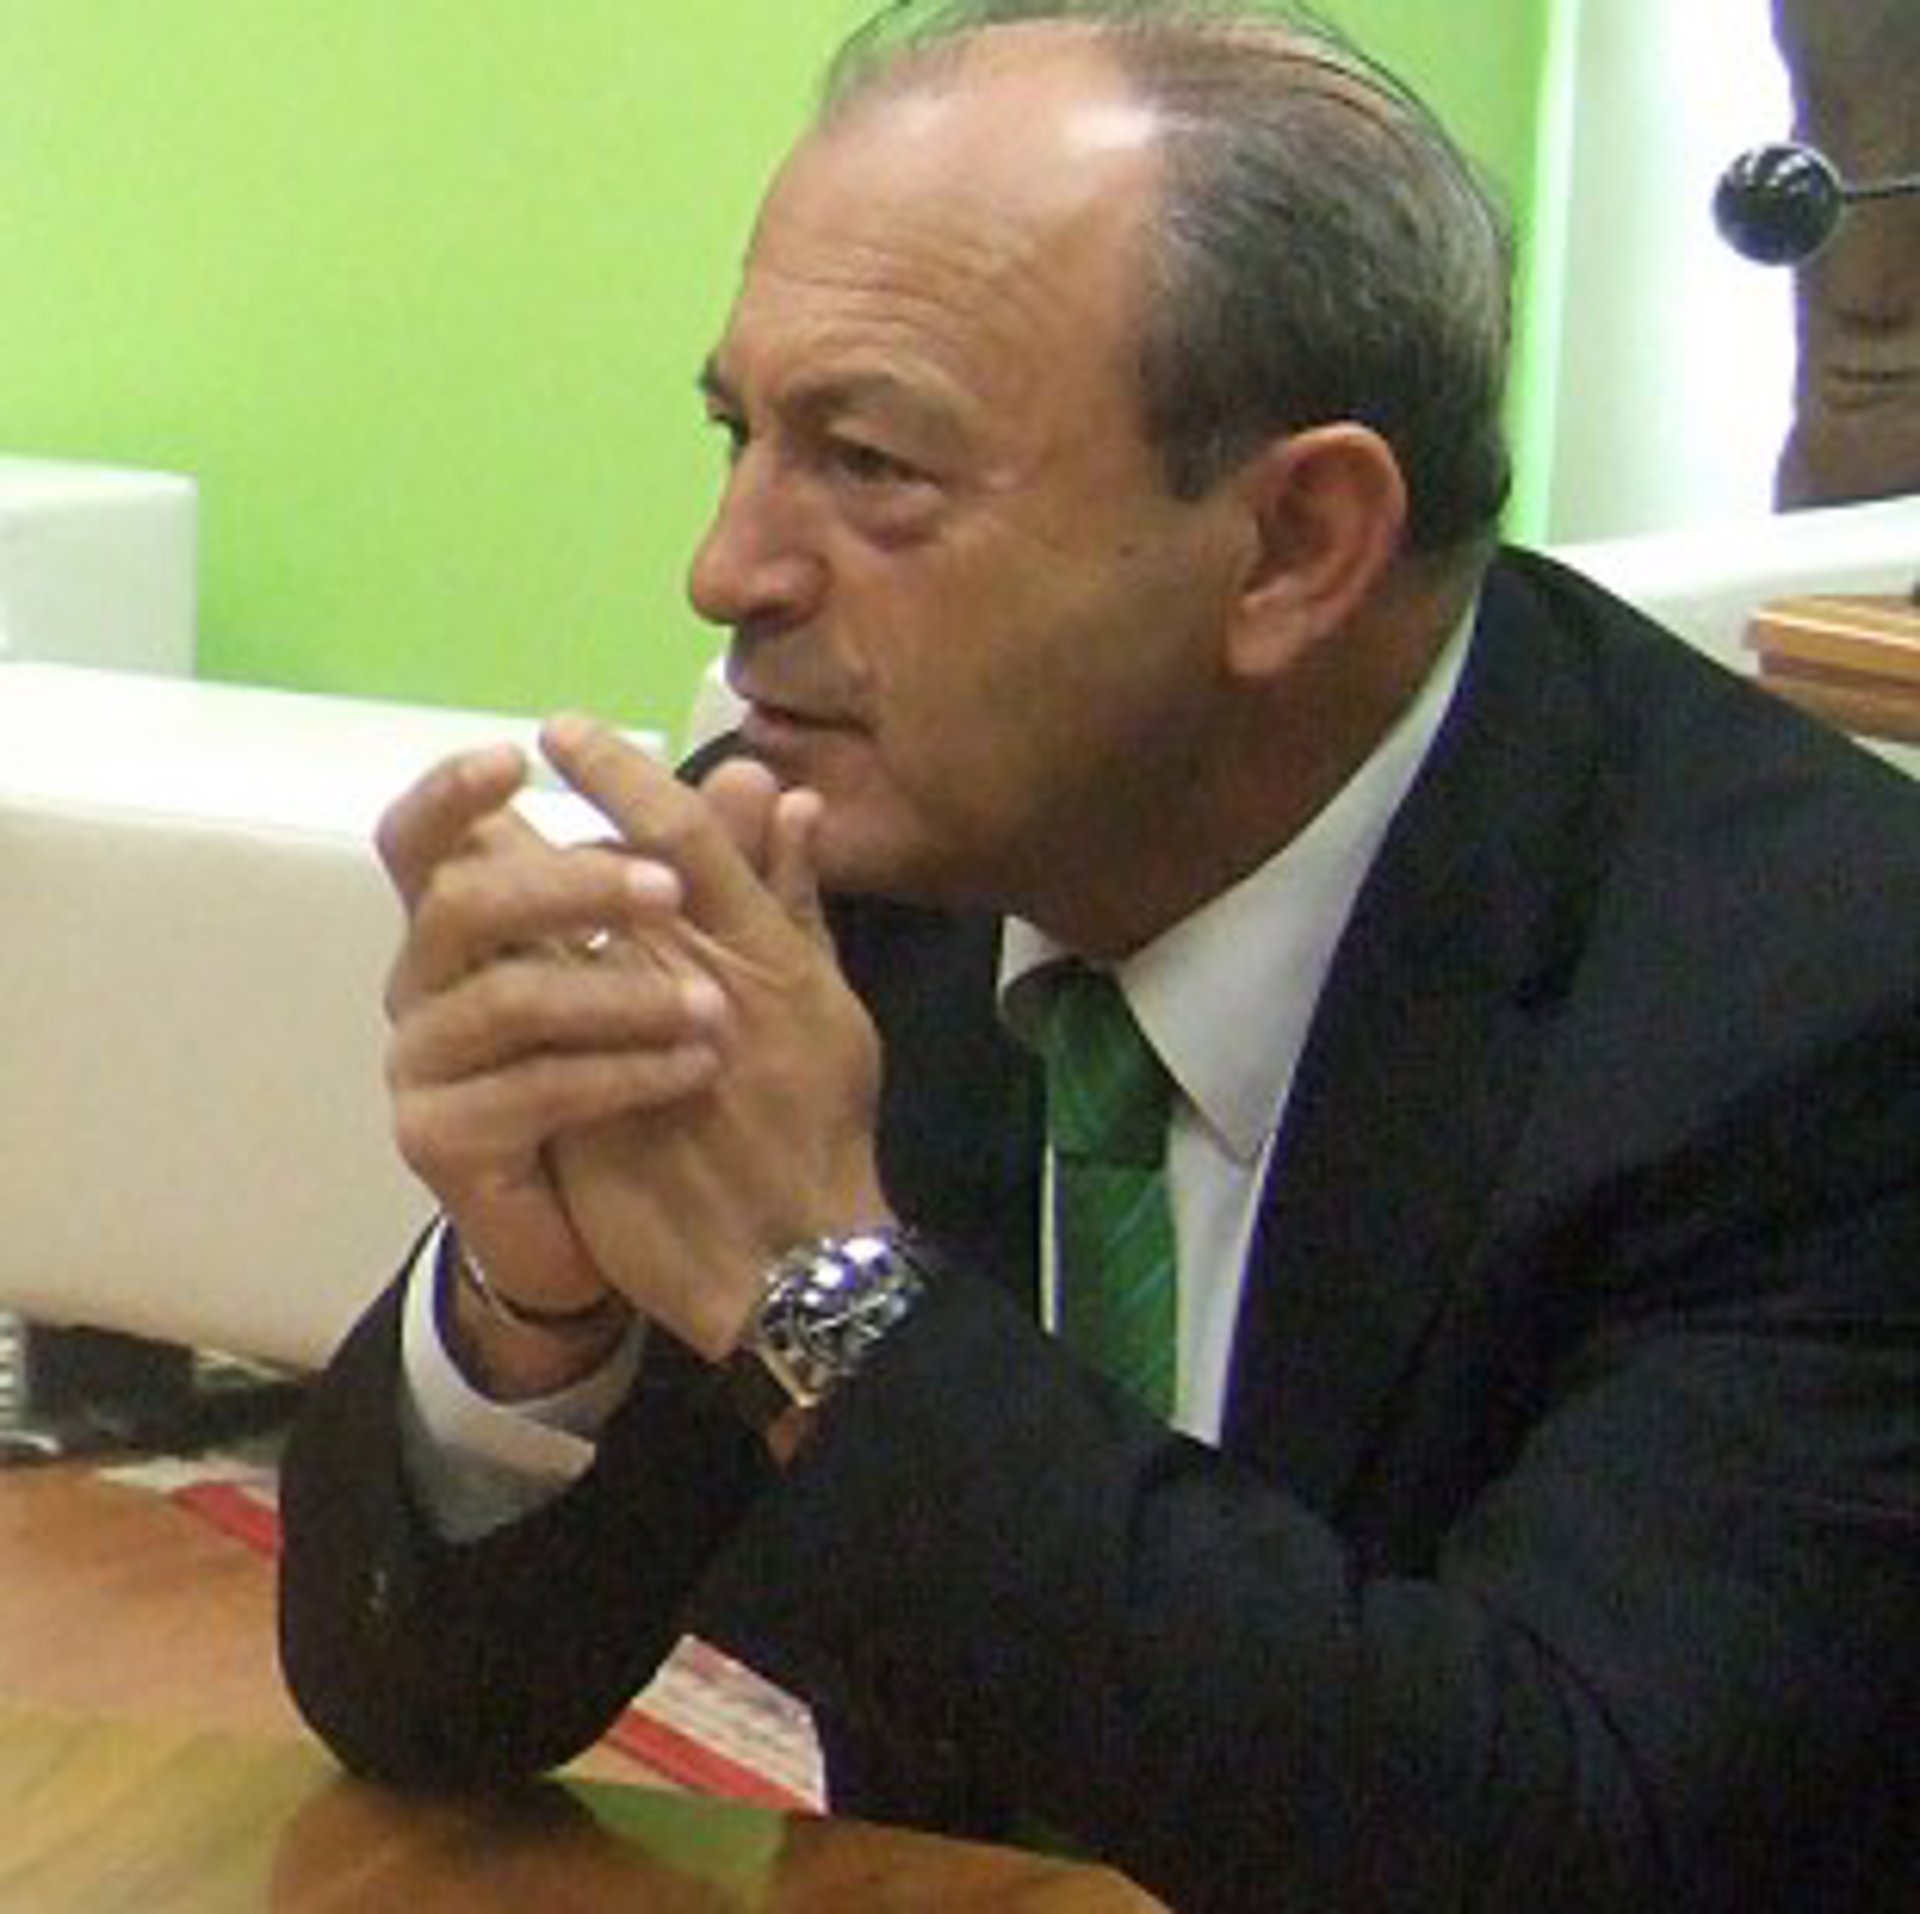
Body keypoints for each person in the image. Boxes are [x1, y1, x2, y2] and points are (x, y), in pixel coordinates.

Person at [277, 4, 1920, 1908]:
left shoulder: (1819, 1001)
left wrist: (823, 1296)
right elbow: (426, 1705)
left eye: (870, 461)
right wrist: (536, 1311)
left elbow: (1561, 1841)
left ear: (1295, 542)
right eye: (742, 434)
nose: (727, 569)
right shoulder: (827, 879)